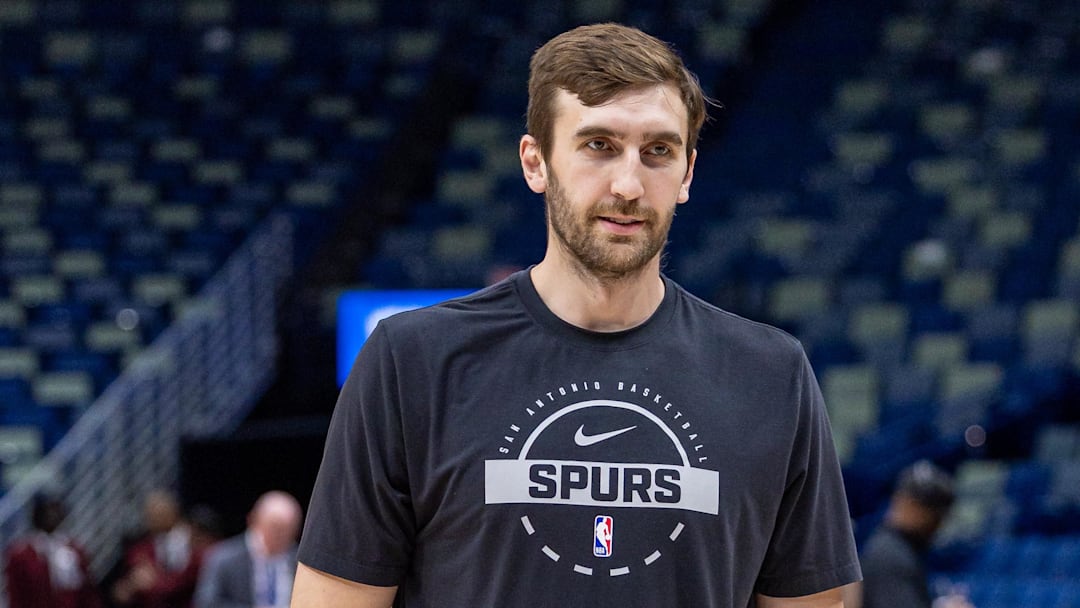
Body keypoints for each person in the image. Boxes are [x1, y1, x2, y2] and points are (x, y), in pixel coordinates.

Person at [292, 22, 861, 608]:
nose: (629, 184)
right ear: (535, 163)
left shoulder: (771, 374)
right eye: (598, 145)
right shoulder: (409, 361)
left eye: (658, 151)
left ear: (687, 173)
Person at [859, 460, 974, 608]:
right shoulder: (890, 555)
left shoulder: (900, 548)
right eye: (922, 505)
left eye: (934, 510)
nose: (931, 518)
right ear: (900, 500)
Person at [193, 491, 302, 608]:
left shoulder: (298, 561)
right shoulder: (223, 557)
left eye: (289, 530)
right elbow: (206, 602)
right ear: (254, 521)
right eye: (276, 528)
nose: (282, 536)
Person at [4, 494, 103, 608]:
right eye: (47, 511)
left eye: (55, 510)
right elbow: (16, 595)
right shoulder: (20, 555)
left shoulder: (73, 549)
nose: (52, 515)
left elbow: (86, 590)